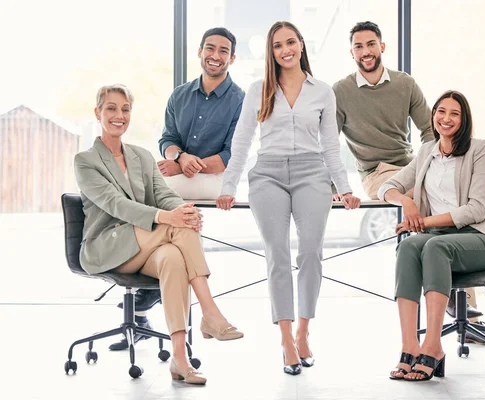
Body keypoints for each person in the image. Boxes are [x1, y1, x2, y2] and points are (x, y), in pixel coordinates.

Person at [333, 21, 485, 343]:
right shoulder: (341, 91)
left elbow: (430, 129)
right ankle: (456, 306)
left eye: (371, 44)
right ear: (352, 52)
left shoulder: (404, 83)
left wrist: (438, 155)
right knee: (436, 215)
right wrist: (336, 188)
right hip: (377, 172)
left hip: (412, 161)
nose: (366, 51)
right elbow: (328, 141)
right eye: (358, 46)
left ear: (382, 47)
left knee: (446, 208)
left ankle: (462, 306)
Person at [216, 21, 361, 375]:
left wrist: (343, 187)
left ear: (300, 45)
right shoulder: (259, 89)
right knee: (277, 254)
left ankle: (303, 331)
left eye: (291, 42)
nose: (286, 50)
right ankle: (285, 340)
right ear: (272, 52)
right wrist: (228, 186)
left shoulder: (323, 91)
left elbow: (330, 145)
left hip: (312, 173)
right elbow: (242, 141)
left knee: (311, 251)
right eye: (278, 45)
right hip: (267, 174)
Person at [75, 84, 244, 385]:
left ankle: (179, 359)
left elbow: (163, 194)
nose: (119, 115)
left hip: (144, 247)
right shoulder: (86, 161)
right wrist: (171, 217)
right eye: (111, 108)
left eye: (125, 109)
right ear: (97, 112)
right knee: (176, 225)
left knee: (174, 258)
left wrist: (184, 210)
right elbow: (116, 205)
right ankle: (210, 311)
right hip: (108, 248)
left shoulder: (141, 156)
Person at [109, 27, 245, 351]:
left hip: (215, 177)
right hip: (181, 176)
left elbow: (232, 155)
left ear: (232, 58)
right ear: (199, 52)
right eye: (209, 48)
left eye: (223, 51)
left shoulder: (240, 100)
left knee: (155, 194)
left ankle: (147, 291)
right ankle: (165, 297)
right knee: (168, 208)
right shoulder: (180, 95)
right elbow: (167, 141)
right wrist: (178, 156)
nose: (215, 55)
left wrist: (186, 164)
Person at [379, 90, 485, 381]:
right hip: (442, 237)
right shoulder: (427, 151)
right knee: (407, 248)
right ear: (434, 116)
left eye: (454, 113)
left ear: (464, 120)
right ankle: (409, 347)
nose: (446, 118)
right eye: (441, 112)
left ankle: (433, 347)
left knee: (434, 248)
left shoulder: (480, 149)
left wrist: (424, 222)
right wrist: (407, 202)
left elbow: (476, 210)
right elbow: (388, 186)